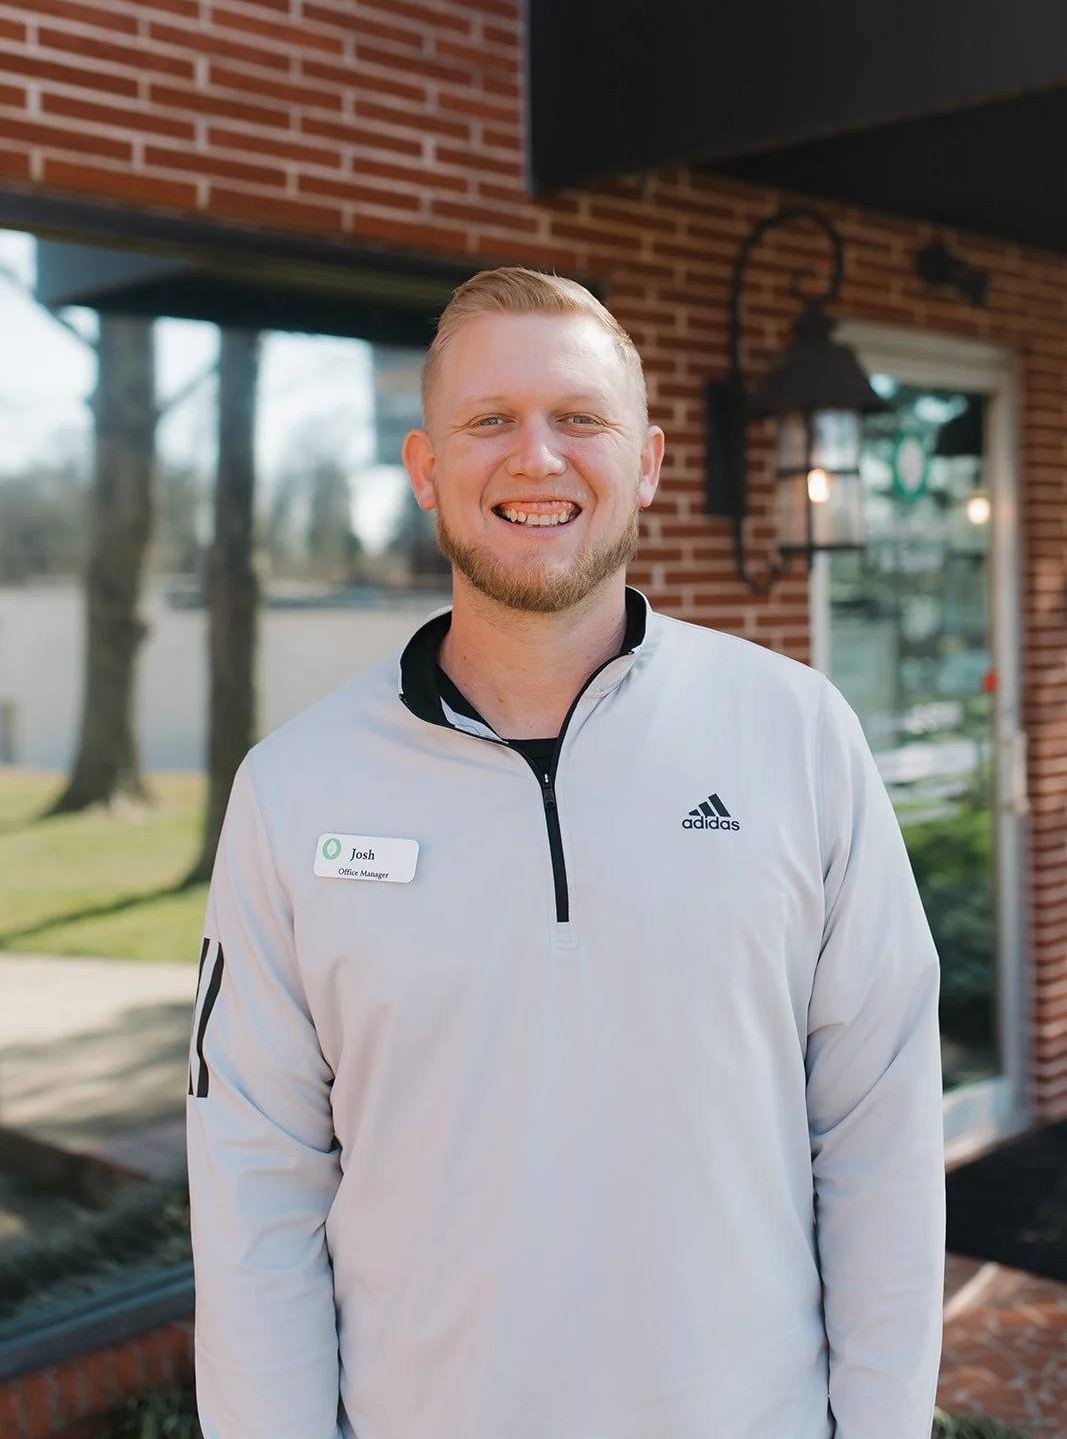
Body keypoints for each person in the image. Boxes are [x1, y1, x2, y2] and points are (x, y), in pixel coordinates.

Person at [187, 267, 945, 1439]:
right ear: (425, 469)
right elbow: (255, 1185)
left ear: (644, 462)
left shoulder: (796, 737)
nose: (535, 457)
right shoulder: (293, 790)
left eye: (578, 419)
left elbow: (878, 1134)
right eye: (488, 420)